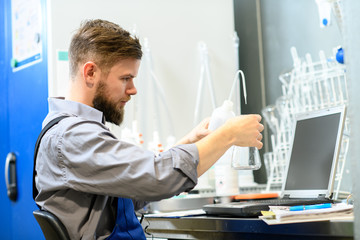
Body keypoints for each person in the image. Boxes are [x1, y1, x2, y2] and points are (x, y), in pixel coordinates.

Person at [34, 19, 264, 240]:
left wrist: (191, 141)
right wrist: (228, 135)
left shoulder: (76, 130)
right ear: (91, 73)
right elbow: (158, 178)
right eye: (126, 78)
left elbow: (135, 189)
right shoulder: (71, 136)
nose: (133, 90)